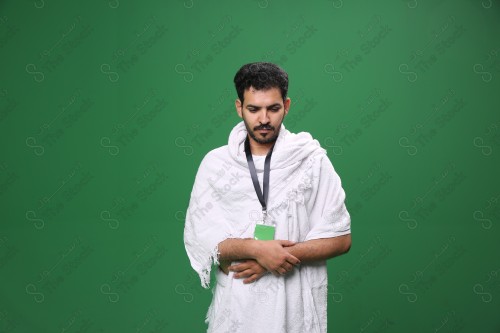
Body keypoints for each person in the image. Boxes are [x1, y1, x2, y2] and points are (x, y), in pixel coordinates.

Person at [184, 62, 352, 333]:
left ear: (286, 105)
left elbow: (341, 238)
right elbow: (201, 238)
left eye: (273, 108)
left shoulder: (311, 160)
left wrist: (276, 258)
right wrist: (256, 249)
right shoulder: (216, 164)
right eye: (254, 109)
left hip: (295, 307)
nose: (264, 119)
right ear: (239, 107)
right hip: (237, 308)